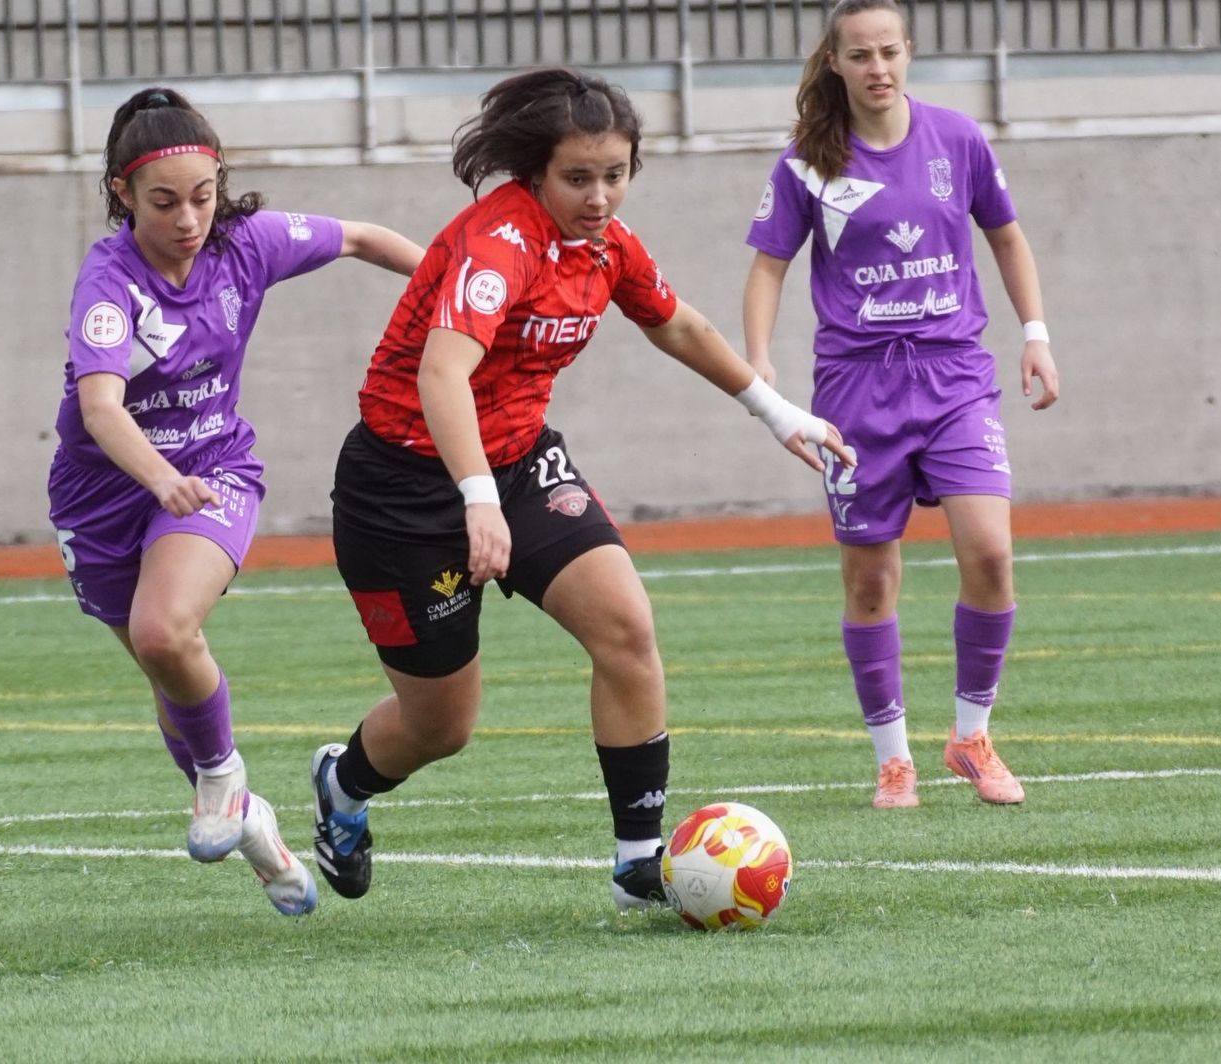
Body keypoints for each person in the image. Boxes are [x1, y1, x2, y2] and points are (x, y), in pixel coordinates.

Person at [309, 67, 850, 911]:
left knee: (627, 627)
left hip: (520, 463)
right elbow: (441, 375)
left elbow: (676, 322)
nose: (600, 197)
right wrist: (476, 501)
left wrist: (776, 413)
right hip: (402, 492)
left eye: (615, 174)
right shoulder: (502, 243)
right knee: (440, 727)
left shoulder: (605, 246)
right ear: (535, 171)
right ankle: (342, 787)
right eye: (578, 177)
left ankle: (640, 861)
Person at [47, 86, 423, 915]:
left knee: (163, 629)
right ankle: (253, 826)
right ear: (120, 193)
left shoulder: (247, 245)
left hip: (213, 469)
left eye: (203, 197)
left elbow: (359, 237)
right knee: (165, 667)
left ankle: (222, 780)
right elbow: (103, 408)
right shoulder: (108, 282)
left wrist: (457, 291)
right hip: (105, 495)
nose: (188, 219)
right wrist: (156, 478)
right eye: (165, 202)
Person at [742, 0, 1060, 810]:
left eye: (889, 51)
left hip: (955, 375)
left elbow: (1008, 237)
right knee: (871, 579)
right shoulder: (808, 161)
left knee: (989, 554)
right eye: (860, 55)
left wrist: (1035, 334)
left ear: (908, 54)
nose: (877, 67)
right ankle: (893, 760)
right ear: (837, 63)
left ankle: (971, 736)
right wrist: (759, 362)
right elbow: (770, 265)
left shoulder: (958, 137)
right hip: (855, 388)